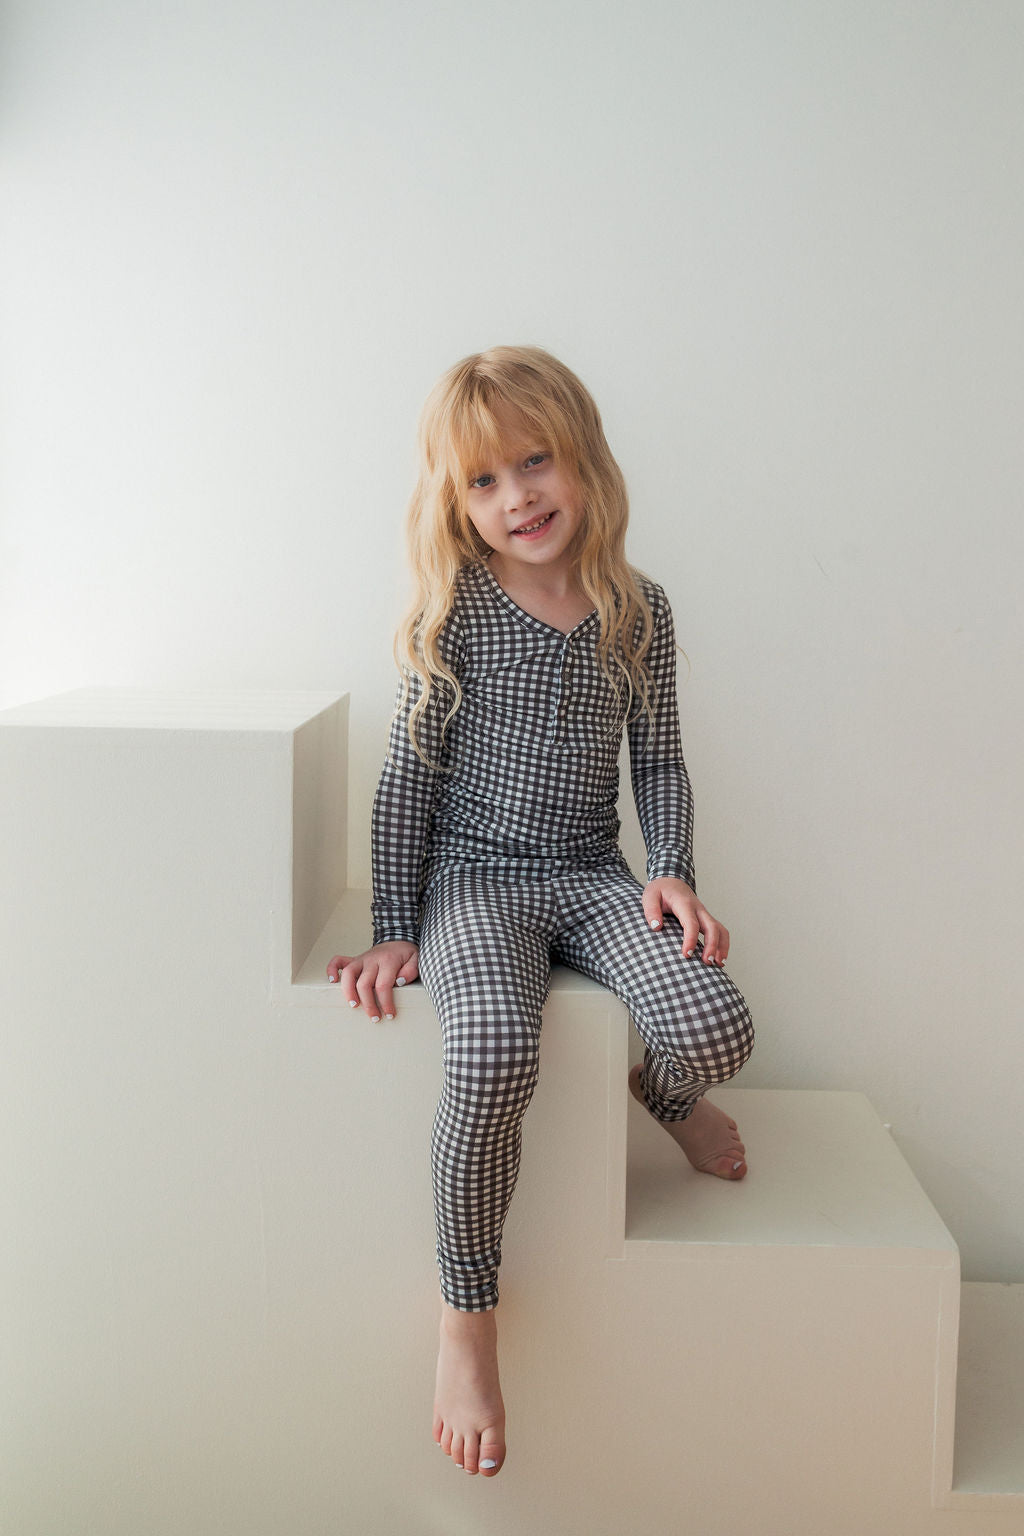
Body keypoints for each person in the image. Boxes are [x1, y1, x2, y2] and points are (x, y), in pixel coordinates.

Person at [327, 345, 754, 1480]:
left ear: (582, 460)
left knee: (716, 1025)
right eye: (482, 480)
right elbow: (406, 776)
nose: (516, 496)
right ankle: (467, 1317)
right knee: (492, 1047)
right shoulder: (454, 610)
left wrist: (669, 867)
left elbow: (658, 762)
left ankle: (656, 1094)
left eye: (533, 461)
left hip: (593, 873)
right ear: (454, 502)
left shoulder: (637, 610)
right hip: (475, 880)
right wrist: (394, 922)